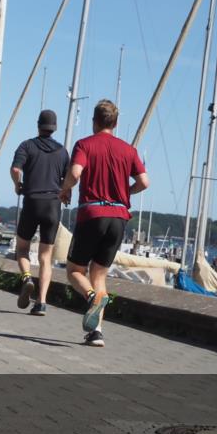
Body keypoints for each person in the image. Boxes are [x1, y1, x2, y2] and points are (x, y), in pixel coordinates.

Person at [59, 100, 149, 348]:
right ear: (116, 123)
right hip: (119, 218)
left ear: (94, 121)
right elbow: (144, 181)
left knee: (75, 271)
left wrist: (65, 189)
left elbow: (75, 173)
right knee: (99, 275)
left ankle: (90, 298)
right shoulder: (128, 150)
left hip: (92, 215)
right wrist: (126, 193)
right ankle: (96, 332)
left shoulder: (85, 144)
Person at [10, 109, 69, 316]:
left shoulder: (26, 146)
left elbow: (16, 169)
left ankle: (26, 277)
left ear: (38, 125)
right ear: (54, 128)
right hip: (53, 205)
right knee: (46, 257)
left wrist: (18, 185)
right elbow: (69, 177)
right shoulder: (62, 151)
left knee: (23, 249)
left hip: (32, 202)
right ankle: (41, 303)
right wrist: (65, 192)